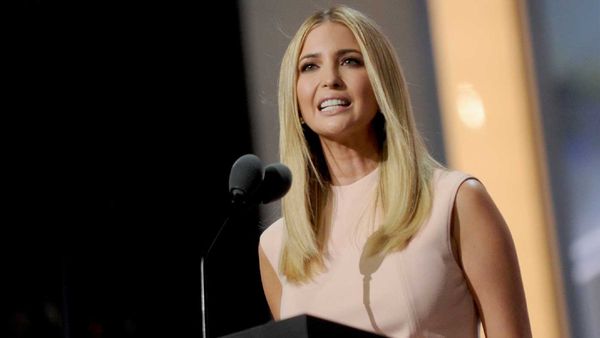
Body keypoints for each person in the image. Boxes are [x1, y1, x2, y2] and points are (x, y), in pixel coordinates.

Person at [258, 5, 532, 338]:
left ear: (380, 82)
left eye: (350, 61)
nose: (329, 79)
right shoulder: (277, 247)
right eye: (310, 66)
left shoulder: (454, 201)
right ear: (295, 96)